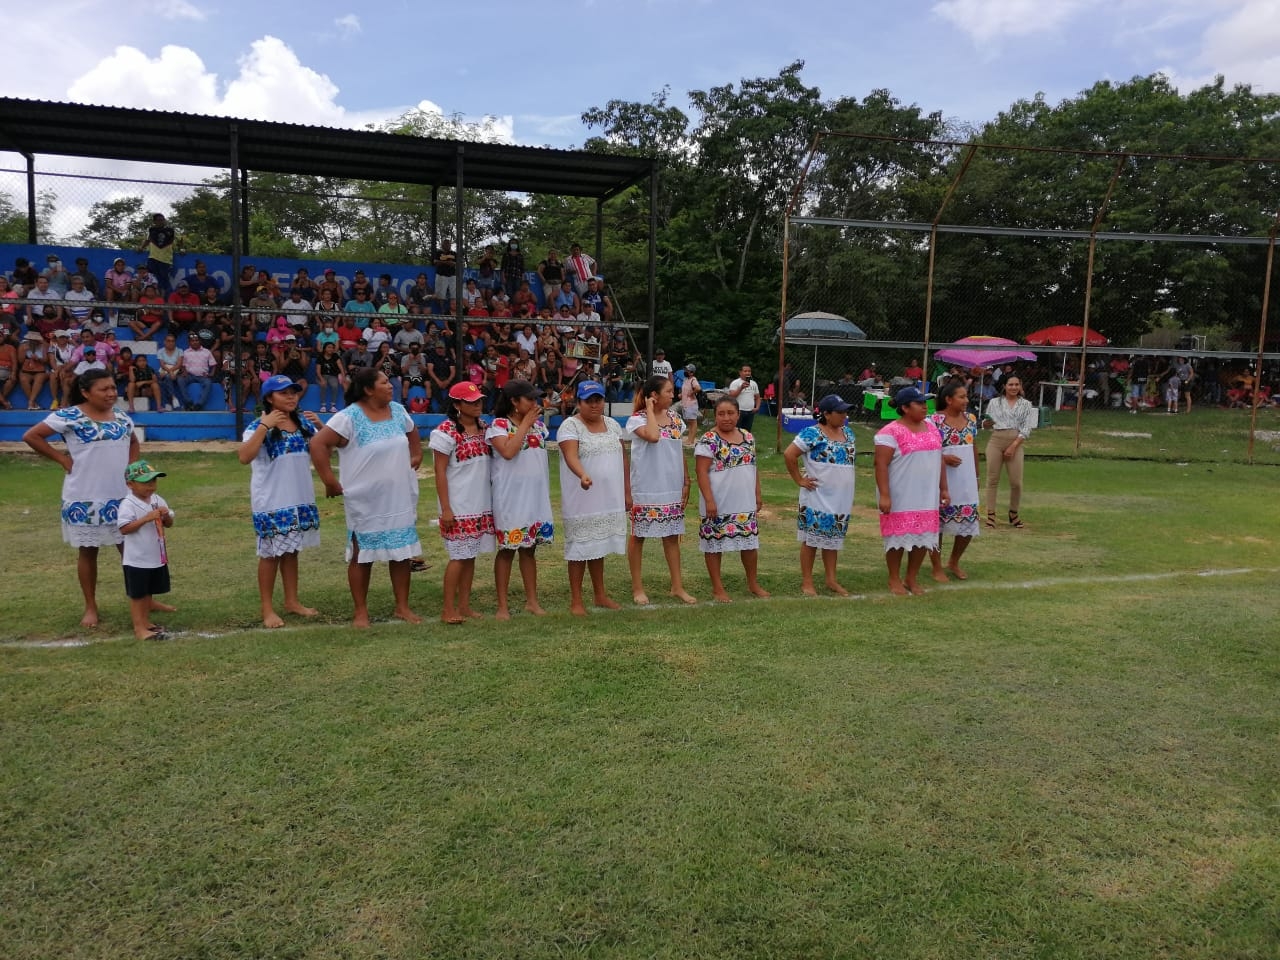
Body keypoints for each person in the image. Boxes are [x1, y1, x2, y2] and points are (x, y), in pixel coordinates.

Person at [23, 368, 141, 628]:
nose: (111, 393)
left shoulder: (120, 416)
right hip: (85, 497)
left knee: (131, 551)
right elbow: (31, 436)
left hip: (122, 496)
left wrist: (131, 468)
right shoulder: (69, 416)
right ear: (86, 392)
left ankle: (142, 600)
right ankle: (91, 606)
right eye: (104, 389)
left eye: (113, 387)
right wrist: (62, 459)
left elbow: (133, 442)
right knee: (88, 552)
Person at [310, 368, 424, 628]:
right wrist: (330, 481)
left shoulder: (397, 410)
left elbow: (412, 431)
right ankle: (361, 611)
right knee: (362, 553)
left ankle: (402, 607)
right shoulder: (348, 418)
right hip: (365, 500)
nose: (390, 385)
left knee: (401, 553)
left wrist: (416, 454)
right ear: (368, 389)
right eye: (384, 382)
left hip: (399, 495)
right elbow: (318, 443)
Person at [239, 376, 324, 629]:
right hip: (272, 501)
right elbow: (244, 457)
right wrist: (264, 426)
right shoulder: (257, 425)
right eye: (283, 393)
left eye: (293, 392)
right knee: (269, 555)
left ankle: (292, 601)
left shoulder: (304, 424)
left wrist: (323, 427)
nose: (291, 397)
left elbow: (324, 451)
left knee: (291, 551)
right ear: (268, 398)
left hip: (298, 498)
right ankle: (267, 609)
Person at [558, 380, 628, 616]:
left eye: (598, 399)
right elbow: (570, 456)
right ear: (579, 402)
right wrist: (583, 474)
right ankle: (576, 600)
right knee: (580, 548)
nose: (595, 405)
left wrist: (627, 491)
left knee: (599, 546)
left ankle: (600, 595)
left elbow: (622, 458)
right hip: (582, 496)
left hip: (609, 498)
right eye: (589, 401)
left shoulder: (612, 425)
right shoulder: (570, 426)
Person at [486, 379, 554, 620]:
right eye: (529, 399)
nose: (535, 403)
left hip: (535, 496)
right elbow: (508, 452)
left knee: (529, 548)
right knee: (507, 550)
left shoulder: (540, 428)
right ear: (514, 402)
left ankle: (532, 601)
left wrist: (529, 424)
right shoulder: (498, 426)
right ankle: (502, 605)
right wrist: (525, 424)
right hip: (510, 498)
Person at [625, 375, 696, 605]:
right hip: (646, 487)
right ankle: (638, 589)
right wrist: (648, 408)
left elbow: (677, 450)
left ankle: (677, 587)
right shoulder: (637, 420)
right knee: (639, 536)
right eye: (667, 391)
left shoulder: (676, 419)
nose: (673, 395)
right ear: (654, 395)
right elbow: (654, 437)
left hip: (671, 486)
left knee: (671, 537)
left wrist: (685, 478)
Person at [430, 382, 496, 624]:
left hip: (479, 502)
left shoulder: (483, 427)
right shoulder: (445, 432)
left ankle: (465, 605)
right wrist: (446, 508)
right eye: (471, 402)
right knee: (458, 557)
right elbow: (439, 472)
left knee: (470, 556)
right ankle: (448, 608)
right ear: (457, 405)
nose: (478, 405)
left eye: (479, 400)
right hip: (458, 504)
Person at [874, 386, 948, 596]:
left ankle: (911, 577)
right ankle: (894, 578)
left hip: (926, 494)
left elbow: (939, 458)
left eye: (926, 403)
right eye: (920, 403)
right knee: (897, 537)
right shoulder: (889, 433)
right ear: (905, 408)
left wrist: (943, 488)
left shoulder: (932, 428)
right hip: (900, 494)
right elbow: (880, 465)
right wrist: (885, 495)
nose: (925, 407)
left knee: (923, 536)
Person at [695, 396, 768, 602]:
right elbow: (701, 472)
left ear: (738, 414)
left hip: (744, 501)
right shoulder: (708, 440)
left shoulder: (748, 436)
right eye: (721, 414)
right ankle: (718, 588)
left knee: (749, 544)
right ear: (715, 415)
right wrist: (709, 500)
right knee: (714, 543)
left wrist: (757, 493)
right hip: (718, 503)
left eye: (730, 413)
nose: (726, 418)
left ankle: (753, 583)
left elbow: (753, 467)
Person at [783, 394, 857, 596]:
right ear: (826, 414)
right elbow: (790, 454)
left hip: (841, 499)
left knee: (832, 539)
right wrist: (799, 479)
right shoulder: (811, 433)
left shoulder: (848, 434)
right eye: (840, 412)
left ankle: (831, 579)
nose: (844, 415)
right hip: (817, 496)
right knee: (811, 540)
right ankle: (807, 582)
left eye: (845, 411)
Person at [116, 460, 176, 640]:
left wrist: (166, 516)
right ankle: (139, 628)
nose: (151, 486)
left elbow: (170, 524)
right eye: (145, 482)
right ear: (130, 484)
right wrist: (147, 518)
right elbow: (124, 528)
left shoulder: (157, 500)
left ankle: (146, 622)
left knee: (148, 592)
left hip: (155, 556)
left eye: (154, 481)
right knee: (138, 594)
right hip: (137, 558)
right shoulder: (128, 503)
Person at [928, 380, 980, 582]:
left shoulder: (971, 419)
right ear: (948, 399)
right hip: (942, 480)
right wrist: (943, 458)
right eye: (961, 396)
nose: (966, 400)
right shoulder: (933, 421)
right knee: (937, 524)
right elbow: (927, 450)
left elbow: (974, 448)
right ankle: (936, 565)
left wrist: (976, 475)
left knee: (968, 521)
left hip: (965, 479)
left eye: (966, 396)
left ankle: (954, 561)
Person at [981, 375, 1036, 529]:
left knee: (1016, 482)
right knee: (992, 479)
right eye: (1010, 384)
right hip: (996, 440)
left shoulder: (1026, 404)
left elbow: (1026, 429)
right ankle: (991, 514)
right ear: (1004, 386)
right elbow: (986, 425)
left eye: (1016, 384)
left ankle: (1013, 512)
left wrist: (1013, 446)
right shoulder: (994, 402)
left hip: (1016, 441)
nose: (1013, 387)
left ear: (1020, 386)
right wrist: (985, 423)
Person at [728, 364, 762, 432]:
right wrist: (741, 388)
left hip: (750, 411)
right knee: (736, 430)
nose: (747, 373)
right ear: (740, 372)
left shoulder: (753, 383)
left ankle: (746, 442)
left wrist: (757, 407)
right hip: (738, 411)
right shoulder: (735, 383)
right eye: (745, 371)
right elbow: (731, 396)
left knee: (747, 431)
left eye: (749, 371)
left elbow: (758, 397)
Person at [679, 364, 701, 441]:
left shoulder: (693, 380)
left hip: (691, 404)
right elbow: (685, 389)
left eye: (687, 370)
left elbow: (698, 388)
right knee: (689, 422)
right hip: (685, 404)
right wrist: (681, 394)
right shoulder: (686, 380)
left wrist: (692, 393)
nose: (685, 371)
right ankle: (689, 438)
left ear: (691, 372)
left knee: (693, 422)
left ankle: (691, 439)